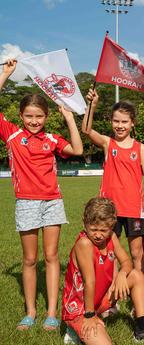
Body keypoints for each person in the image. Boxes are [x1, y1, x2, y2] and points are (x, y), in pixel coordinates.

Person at [1, 59, 83, 330]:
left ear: (46, 117)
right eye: (29, 116)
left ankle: (51, 312)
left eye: (39, 116)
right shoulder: (12, 135)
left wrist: (70, 118)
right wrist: (6, 74)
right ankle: (30, 312)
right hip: (26, 202)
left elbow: (78, 150)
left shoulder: (52, 139)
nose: (34, 121)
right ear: (21, 116)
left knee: (50, 257)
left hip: (52, 203)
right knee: (28, 259)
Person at [61, 198, 144, 345]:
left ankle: (143, 330)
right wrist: (89, 315)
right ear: (84, 223)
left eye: (103, 230)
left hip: (100, 299)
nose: (98, 235)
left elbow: (126, 261)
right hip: (81, 307)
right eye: (93, 229)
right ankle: (74, 328)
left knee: (136, 275)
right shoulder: (84, 244)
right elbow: (89, 281)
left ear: (112, 226)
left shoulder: (111, 237)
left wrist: (122, 274)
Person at [83, 89, 144, 271]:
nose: (120, 125)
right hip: (109, 209)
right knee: (110, 250)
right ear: (111, 121)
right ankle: (111, 293)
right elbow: (86, 130)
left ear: (132, 123)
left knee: (136, 253)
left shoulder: (141, 148)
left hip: (134, 209)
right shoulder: (107, 143)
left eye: (124, 122)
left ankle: (139, 288)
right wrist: (92, 105)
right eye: (116, 121)